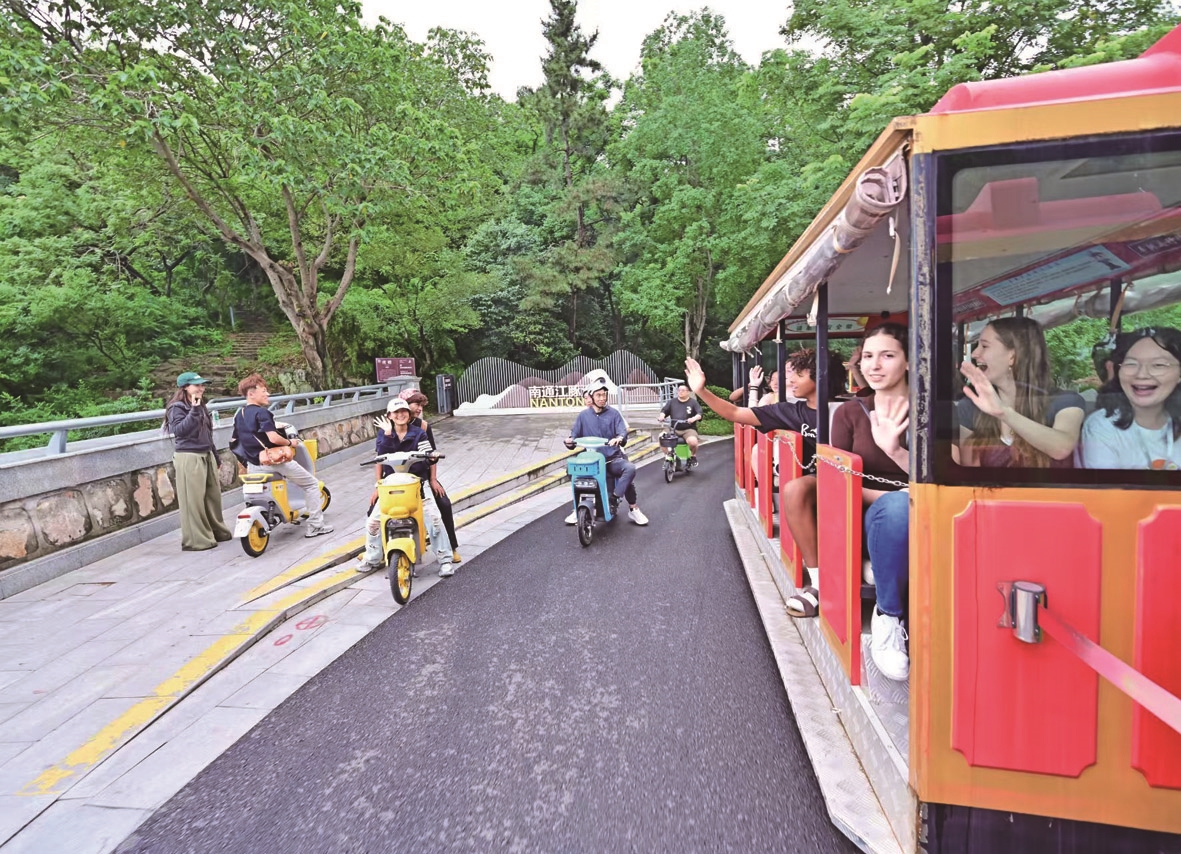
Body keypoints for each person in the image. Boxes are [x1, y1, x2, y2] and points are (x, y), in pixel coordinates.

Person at [684, 347, 840, 620]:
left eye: (799, 374)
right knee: (795, 489)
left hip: (853, 482)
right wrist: (701, 391)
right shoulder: (791, 412)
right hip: (821, 483)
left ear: (821, 376)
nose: (790, 380)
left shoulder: (848, 410)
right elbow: (736, 412)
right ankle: (818, 583)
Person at [831, 324, 912, 681]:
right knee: (896, 510)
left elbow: (952, 471)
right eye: (867, 356)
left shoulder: (931, 409)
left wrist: (895, 450)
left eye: (887, 355)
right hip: (874, 516)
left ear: (908, 361)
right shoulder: (850, 414)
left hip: (932, 508)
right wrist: (901, 498)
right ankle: (889, 617)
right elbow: (838, 481)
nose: (874, 365)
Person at [958, 317, 1084, 468]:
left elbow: (1061, 448)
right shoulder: (969, 406)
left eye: (984, 346)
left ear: (1013, 356)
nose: (974, 353)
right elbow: (970, 473)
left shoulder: (1065, 402)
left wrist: (1003, 412)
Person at [361, 398, 456, 576]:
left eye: (403, 411)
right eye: (396, 412)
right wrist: (387, 435)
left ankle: (445, 559)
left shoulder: (419, 433)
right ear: (389, 416)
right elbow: (381, 457)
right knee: (373, 522)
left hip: (416, 485)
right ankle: (372, 558)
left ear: (409, 413)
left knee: (434, 519)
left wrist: (431, 458)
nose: (400, 415)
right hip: (391, 487)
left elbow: (427, 454)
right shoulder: (384, 434)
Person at [233, 373, 333, 538]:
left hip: (254, 464)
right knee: (311, 485)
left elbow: (235, 441)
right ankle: (316, 526)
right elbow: (273, 438)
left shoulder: (240, 415)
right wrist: (289, 442)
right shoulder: (262, 413)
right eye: (263, 391)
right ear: (251, 394)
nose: (267, 394)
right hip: (275, 461)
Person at [1082, 326, 1181, 470]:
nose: (1142, 374)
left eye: (1158, 365)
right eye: (1131, 364)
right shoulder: (1102, 426)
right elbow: (1107, 484)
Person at [563, 378, 649, 526]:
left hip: (611, 460)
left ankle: (627, 506)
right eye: (599, 395)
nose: (602, 398)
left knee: (629, 470)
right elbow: (574, 436)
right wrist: (569, 441)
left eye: (604, 395)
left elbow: (622, 432)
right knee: (571, 470)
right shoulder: (583, 416)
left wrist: (619, 438)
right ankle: (577, 508)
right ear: (591, 397)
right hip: (592, 461)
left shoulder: (614, 414)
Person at [165, 371, 232, 551]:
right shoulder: (176, 407)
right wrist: (194, 411)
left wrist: (215, 456)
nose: (201, 388)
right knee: (193, 500)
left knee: (212, 497)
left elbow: (207, 433)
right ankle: (197, 540)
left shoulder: (201, 405)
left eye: (202, 385)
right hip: (189, 456)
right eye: (197, 385)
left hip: (206, 454)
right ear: (185, 387)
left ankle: (217, 532)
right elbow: (179, 431)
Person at [401, 389, 461, 562]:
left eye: (421, 405)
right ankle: (375, 550)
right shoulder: (391, 425)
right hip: (398, 478)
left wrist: (433, 479)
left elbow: (432, 454)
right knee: (375, 508)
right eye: (416, 404)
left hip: (422, 476)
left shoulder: (423, 426)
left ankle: (451, 546)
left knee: (444, 503)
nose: (420, 408)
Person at [658, 382, 703, 465]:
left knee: (693, 442)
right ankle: (669, 456)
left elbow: (699, 414)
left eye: (683, 390)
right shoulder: (672, 402)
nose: (680, 392)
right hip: (673, 428)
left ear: (688, 392)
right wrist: (662, 416)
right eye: (679, 390)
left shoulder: (693, 402)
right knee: (661, 437)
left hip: (688, 429)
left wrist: (693, 419)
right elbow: (664, 411)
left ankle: (693, 456)